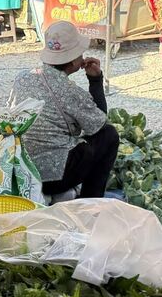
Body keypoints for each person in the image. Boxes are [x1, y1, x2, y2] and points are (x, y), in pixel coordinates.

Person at [8, 21, 118, 199]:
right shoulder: (71, 92)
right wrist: (95, 80)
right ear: (74, 60)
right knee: (110, 135)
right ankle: (91, 202)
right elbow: (99, 124)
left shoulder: (23, 77)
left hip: (20, 170)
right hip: (53, 178)